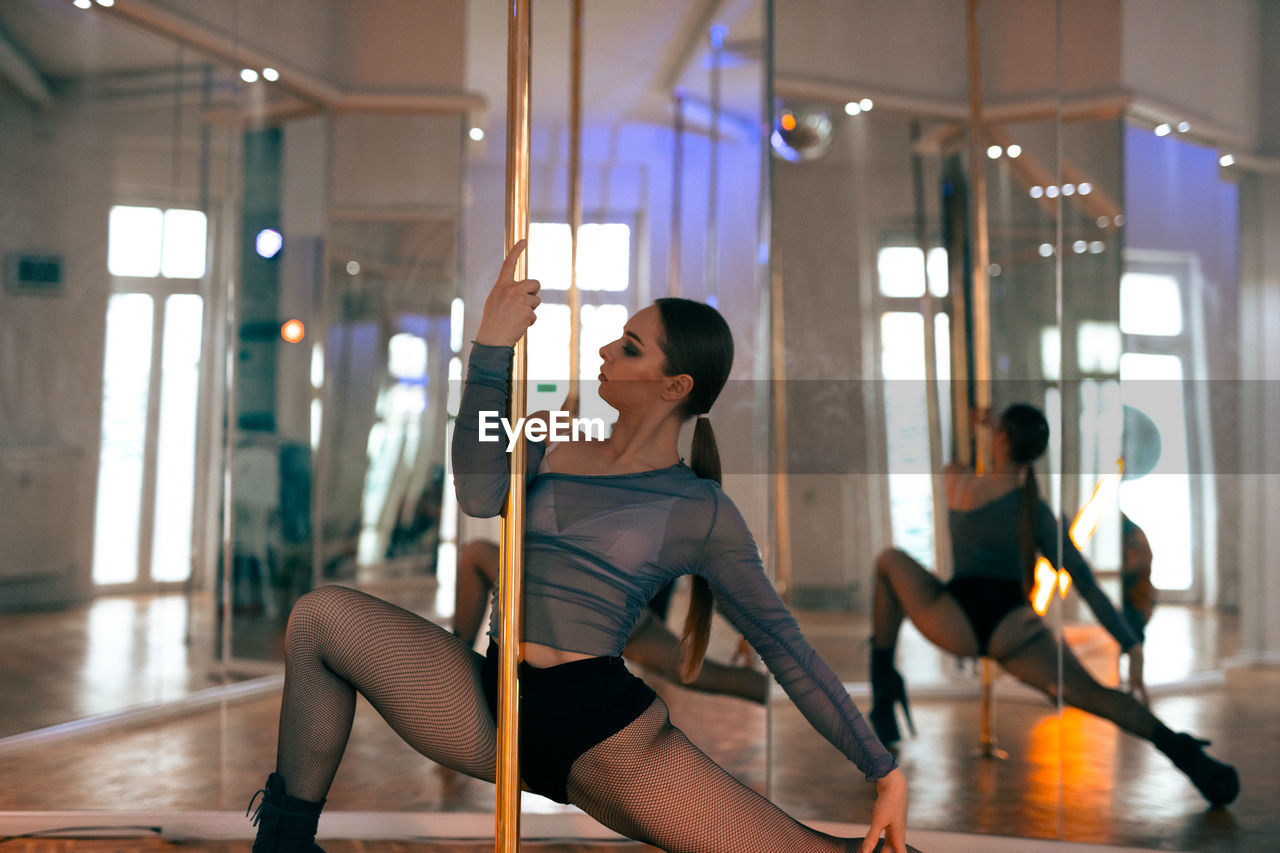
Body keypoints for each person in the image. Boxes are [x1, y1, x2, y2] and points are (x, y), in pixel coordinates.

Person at [248, 241, 911, 853]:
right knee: (320, 616)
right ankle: (282, 843)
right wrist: (490, 348)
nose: (605, 352)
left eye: (630, 346)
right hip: (492, 702)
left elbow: (787, 650)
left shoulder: (698, 508)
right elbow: (478, 492)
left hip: (607, 741)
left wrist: (882, 769)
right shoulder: (550, 442)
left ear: (674, 386)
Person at [867, 404, 1239, 807]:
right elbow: (1086, 584)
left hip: (953, 619)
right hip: (1014, 629)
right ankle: (1192, 759)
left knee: (888, 561)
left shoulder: (957, 482)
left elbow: (957, 459)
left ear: (1002, 439)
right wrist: (1129, 642)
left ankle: (884, 692)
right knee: (1096, 696)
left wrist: (983, 426)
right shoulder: (1037, 511)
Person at [452, 538, 769, 704]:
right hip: (602, 608)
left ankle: (458, 664)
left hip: (599, 608)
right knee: (696, 673)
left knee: (695, 673)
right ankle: (772, 689)